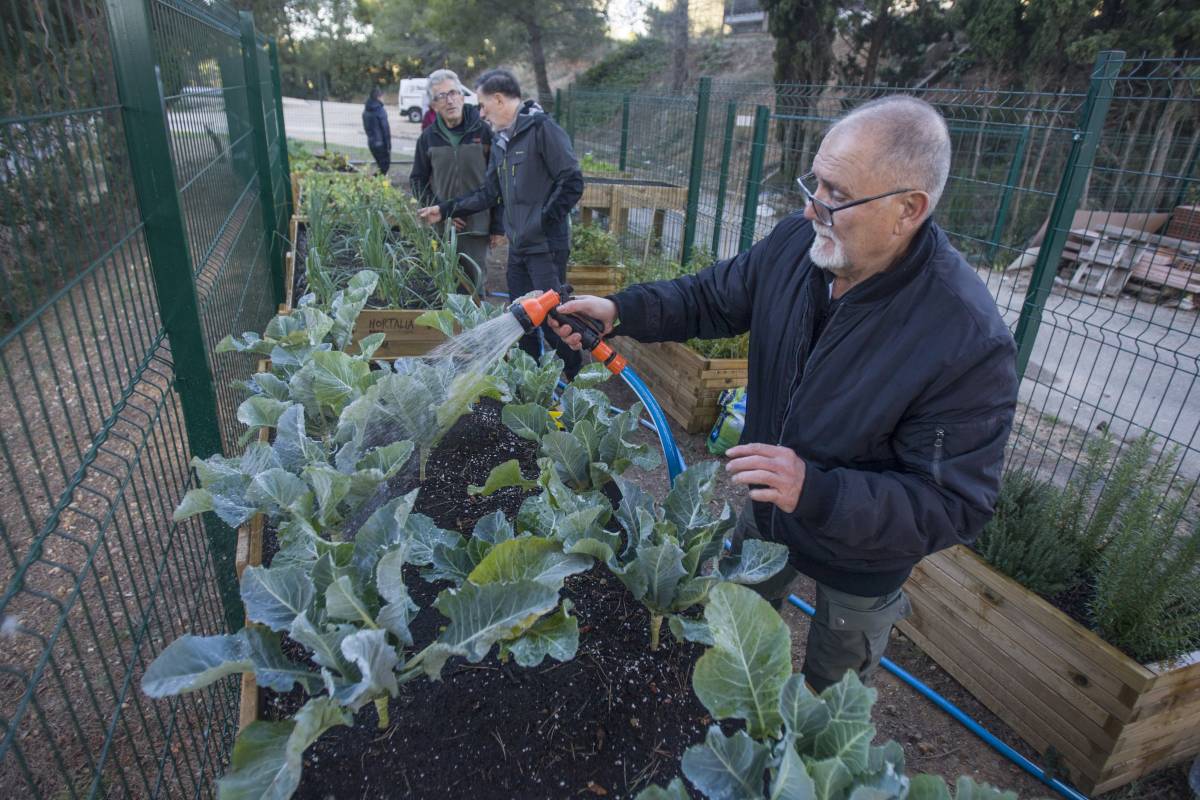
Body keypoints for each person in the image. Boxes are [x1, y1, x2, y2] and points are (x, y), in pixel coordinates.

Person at [549, 96, 1018, 692]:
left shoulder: (965, 336)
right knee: (734, 654)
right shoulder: (799, 245)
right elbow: (711, 298)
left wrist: (816, 491)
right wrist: (622, 310)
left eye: (837, 195)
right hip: (769, 514)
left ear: (908, 209)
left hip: (864, 558)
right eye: (813, 182)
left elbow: (953, 502)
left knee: (830, 699)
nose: (810, 206)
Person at [418, 68, 585, 378]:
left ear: (498, 99)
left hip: (545, 247)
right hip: (519, 249)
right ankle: (530, 384)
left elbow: (572, 181)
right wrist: (445, 209)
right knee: (521, 320)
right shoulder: (501, 141)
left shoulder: (542, 130)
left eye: (482, 106)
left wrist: (541, 222)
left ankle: (576, 381)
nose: (480, 114)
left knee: (554, 320)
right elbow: (488, 193)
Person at [410, 70, 505, 293]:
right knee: (444, 286)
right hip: (443, 227)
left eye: (453, 93)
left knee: (474, 287)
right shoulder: (428, 138)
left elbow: (499, 183)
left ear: (462, 96)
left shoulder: (484, 131)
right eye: (441, 96)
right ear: (434, 105)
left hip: (477, 226)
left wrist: (498, 225)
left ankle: (476, 317)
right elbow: (417, 181)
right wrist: (441, 210)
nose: (449, 100)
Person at [362, 87, 391, 175]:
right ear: (379, 97)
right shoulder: (380, 110)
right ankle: (374, 181)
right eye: (382, 97)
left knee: (381, 166)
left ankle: (377, 181)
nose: (383, 99)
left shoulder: (366, 110)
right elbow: (385, 129)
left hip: (371, 142)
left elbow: (366, 128)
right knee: (385, 166)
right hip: (380, 143)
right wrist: (388, 145)